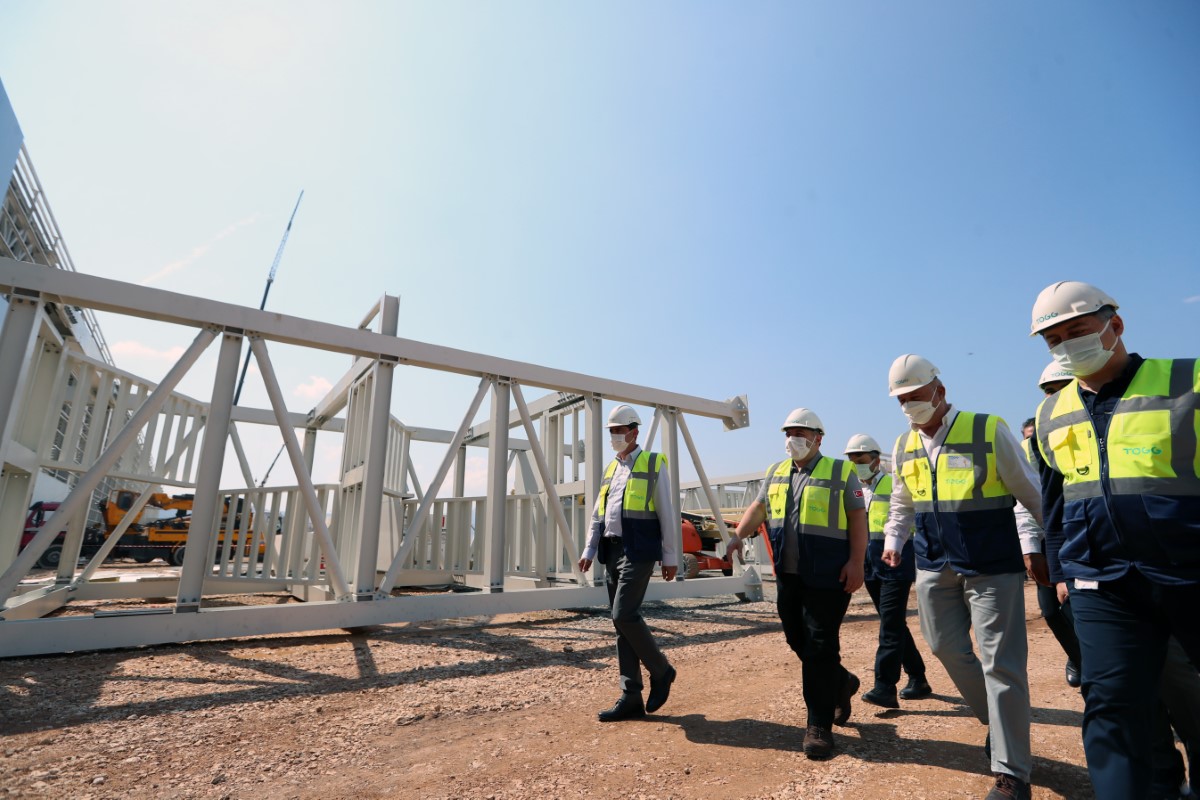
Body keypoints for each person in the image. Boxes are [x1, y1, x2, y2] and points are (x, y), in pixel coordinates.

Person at [1027, 281, 1200, 800]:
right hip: (1102, 583)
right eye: (1053, 340)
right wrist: (1062, 571)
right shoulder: (1050, 414)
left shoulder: (1188, 382)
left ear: (1115, 325)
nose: (1065, 346)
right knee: (1111, 710)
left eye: (1076, 331)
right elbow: (1055, 504)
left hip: (1189, 572)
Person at [882, 354, 1047, 800]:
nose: (909, 406)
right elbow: (902, 502)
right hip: (934, 562)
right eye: (901, 400)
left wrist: (1052, 546)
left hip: (991, 564)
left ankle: (1012, 774)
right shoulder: (903, 445)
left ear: (940, 390)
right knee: (944, 647)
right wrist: (894, 539)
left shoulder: (987, 429)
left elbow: (1030, 491)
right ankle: (1001, 724)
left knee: (1001, 663)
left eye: (916, 396)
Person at [725, 408, 867, 760]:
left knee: (819, 646)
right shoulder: (776, 471)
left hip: (829, 575)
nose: (793, 439)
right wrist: (737, 535)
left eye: (800, 433)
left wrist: (856, 562)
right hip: (788, 576)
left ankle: (818, 725)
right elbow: (759, 508)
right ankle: (841, 681)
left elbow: (857, 517)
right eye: (789, 433)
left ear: (819, 438)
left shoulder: (841, 471)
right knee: (795, 637)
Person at [578, 404, 678, 722]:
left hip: (639, 550)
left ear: (634, 432)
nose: (614, 436)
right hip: (611, 550)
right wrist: (589, 549)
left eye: (619, 431)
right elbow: (599, 513)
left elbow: (667, 511)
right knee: (620, 624)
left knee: (624, 614)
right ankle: (631, 695)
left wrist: (670, 555)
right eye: (611, 432)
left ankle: (661, 670)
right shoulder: (612, 469)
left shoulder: (652, 463)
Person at [843, 433, 931, 709]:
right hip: (870, 566)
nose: (856, 464)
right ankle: (918, 678)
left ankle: (885, 686)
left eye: (860, 459)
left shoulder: (893, 482)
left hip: (896, 562)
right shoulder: (855, 490)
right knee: (894, 623)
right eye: (851, 459)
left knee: (890, 625)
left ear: (875, 459)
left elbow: (909, 517)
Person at [1026, 363, 1082, 689]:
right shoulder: (1038, 441)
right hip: (1056, 542)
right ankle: (1079, 658)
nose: (1056, 397)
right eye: (1049, 391)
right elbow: (1037, 501)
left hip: (1098, 539)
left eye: (1064, 388)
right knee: (1051, 610)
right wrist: (1032, 548)